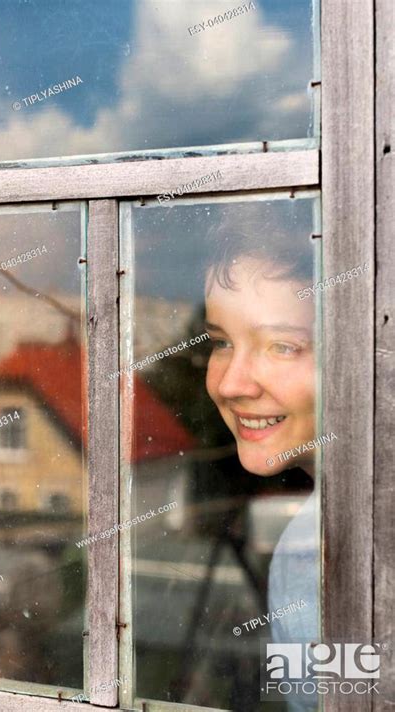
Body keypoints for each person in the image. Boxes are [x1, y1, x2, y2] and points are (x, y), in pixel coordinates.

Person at [203, 220, 318, 710]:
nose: (231, 384)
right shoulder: (308, 541)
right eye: (221, 342)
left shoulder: (312, 557)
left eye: (282, 345)